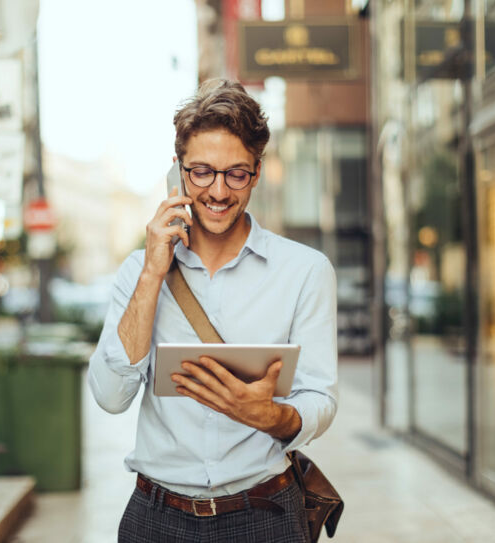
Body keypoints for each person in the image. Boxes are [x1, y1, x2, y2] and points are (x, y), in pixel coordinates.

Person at [88, 79, 338, 543]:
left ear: (257, 172)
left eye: (236, 173)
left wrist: (268, 416)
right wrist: (152, 275)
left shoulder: (305, 271)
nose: (218, 191)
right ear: (178, 172)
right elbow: (110, 395)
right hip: (156, 517)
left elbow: (320, 399)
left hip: (264, 513)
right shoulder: (139, 272)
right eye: (201, 171)